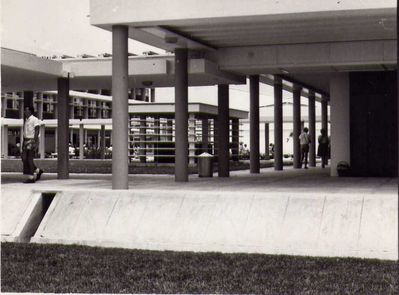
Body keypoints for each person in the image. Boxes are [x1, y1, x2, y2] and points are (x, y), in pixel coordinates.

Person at [21, 106, 43, 183]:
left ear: (30, 111)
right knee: (24, 158)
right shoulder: (26, 120)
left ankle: (31, 178)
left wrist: (34, 141)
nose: (24, 112)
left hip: (31, 140)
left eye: (26, 110)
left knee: (29, 159)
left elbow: (37, 130)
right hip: (25, 140)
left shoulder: (35, 119)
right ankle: (38, 171)